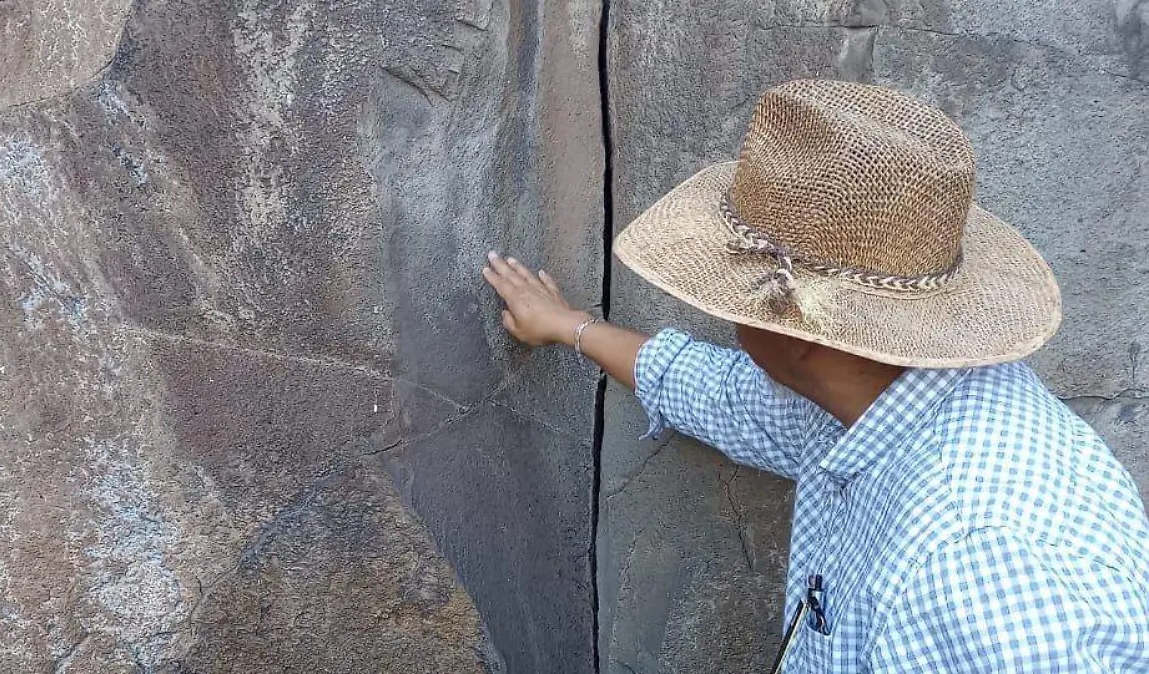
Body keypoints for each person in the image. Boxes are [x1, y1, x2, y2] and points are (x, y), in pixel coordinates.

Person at [481, 79, 1149, 672]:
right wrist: (570, 326)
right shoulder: (878, 398)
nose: (721, 312)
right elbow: (724, 395)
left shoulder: (975, 564)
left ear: (803, 337)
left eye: (732, 294)